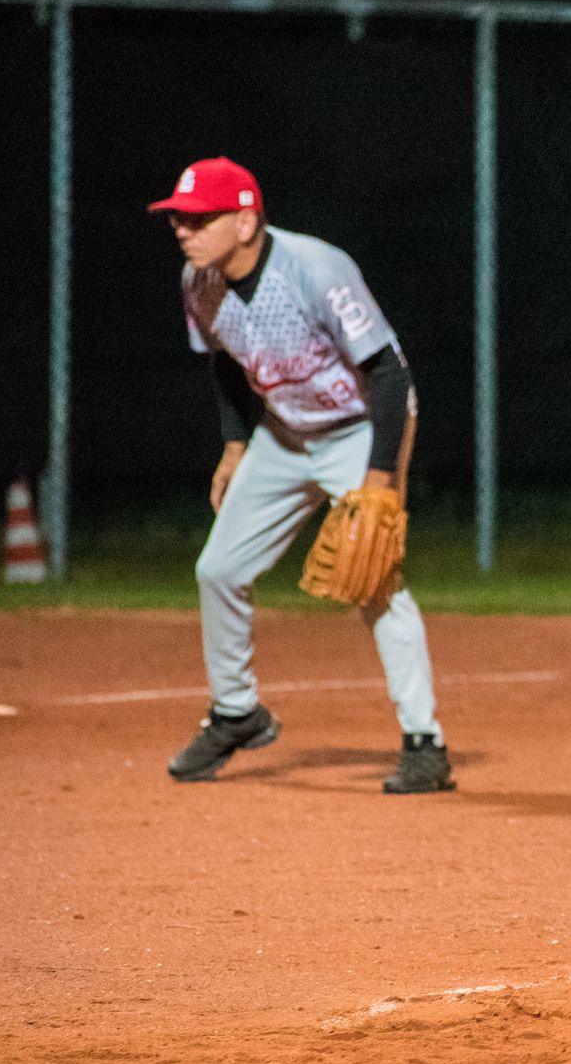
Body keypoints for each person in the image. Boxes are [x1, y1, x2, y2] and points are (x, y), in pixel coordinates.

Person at [149, 157, 454, 795]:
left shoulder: (315, 268)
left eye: (200, 218)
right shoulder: (196, 282)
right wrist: (235, 447)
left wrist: (378, 477)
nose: (184, 229)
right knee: (219, 569)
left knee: (375, 577)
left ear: (246, 219)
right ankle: (236, 713)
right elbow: (226, 365)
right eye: (179, 217)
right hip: (283, 435)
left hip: (359, 428)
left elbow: (389, 373)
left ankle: (425, 744)